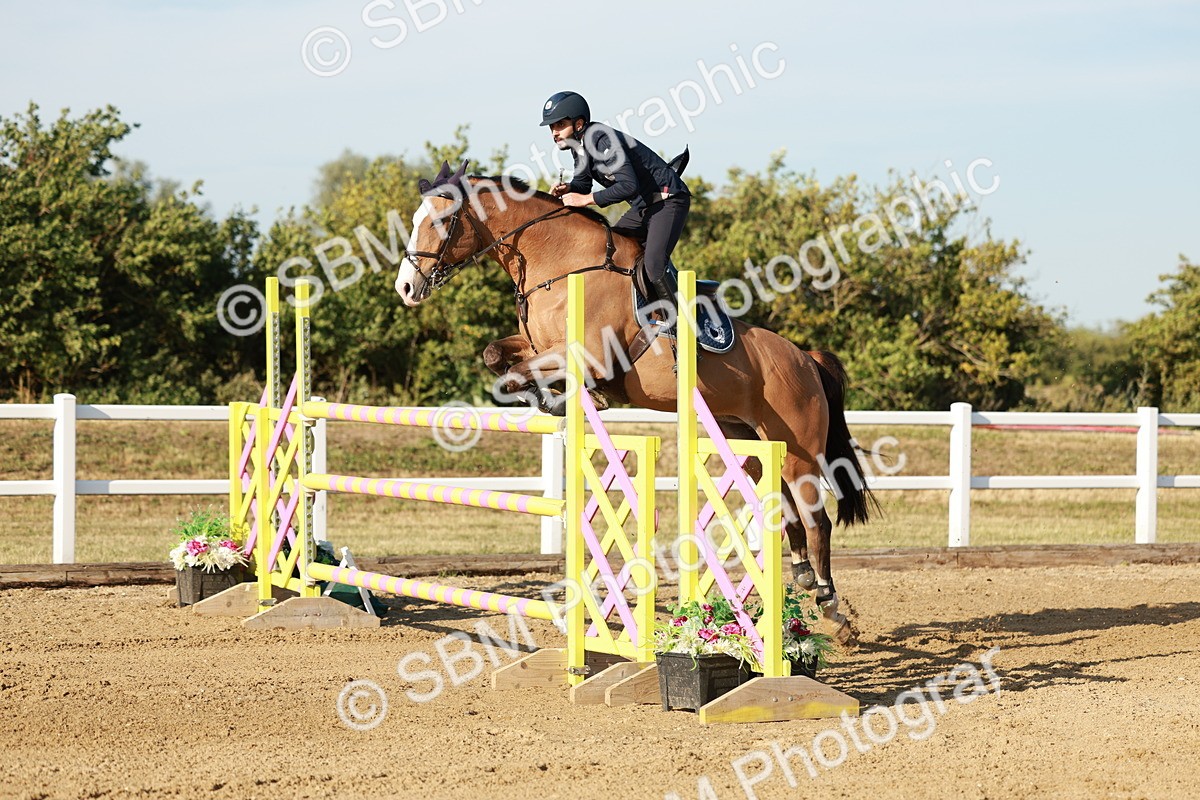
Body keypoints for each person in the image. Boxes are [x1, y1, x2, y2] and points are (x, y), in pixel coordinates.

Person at [541, 91, 690, 331]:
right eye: (551, 127)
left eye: (560, 124)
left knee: (652, 263)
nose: (554, 132)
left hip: (668, 199)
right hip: (644, 206)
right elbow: (583, 184)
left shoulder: (600, 138)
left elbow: (628, 185)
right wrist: (568, 188)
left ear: (579, 123)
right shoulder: (578, 146)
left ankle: (681, 327)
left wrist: (585, 200)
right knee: (612, 251)